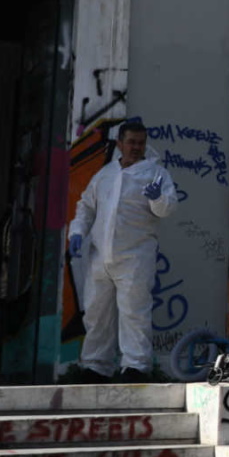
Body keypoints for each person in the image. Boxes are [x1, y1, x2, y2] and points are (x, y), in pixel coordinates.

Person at [67, 116, 177, 382]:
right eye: (131, 142)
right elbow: (86, 206)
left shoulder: (155, 173)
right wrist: (77, 232)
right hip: (99, 257)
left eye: (140, 143)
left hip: (135, 256)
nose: (136, 147)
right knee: (96, 312)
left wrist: (157, 198)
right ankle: (95, 366)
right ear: (120, 143)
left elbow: (168, 208)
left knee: (134, 312)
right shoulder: (105, 174)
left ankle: (136, 366)